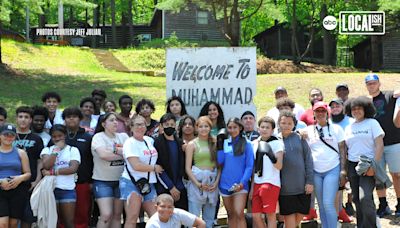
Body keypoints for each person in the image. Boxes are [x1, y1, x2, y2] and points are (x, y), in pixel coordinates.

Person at [344, 96, 385, 227]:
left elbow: (379, 145)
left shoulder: (372, 123)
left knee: (365, 197)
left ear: (365, 109)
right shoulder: (348, 127)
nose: (356, 111)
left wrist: (374, 165)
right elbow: (346, 149)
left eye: (359, 108)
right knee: (356, 198)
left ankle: (371, 225)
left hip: (367, 164)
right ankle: (362, 225)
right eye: (353, 109)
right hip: (352, 165)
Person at [305, 102, 347, 228]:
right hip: (316, 171)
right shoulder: (308, 130)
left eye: (323, 111)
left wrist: (343, 171)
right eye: (317, 111)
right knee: (321, 205)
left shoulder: (336, 129)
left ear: (327, 113)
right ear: (314, 114)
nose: (320, 113)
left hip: (332, 169)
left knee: (328, 203)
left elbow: (342, 150)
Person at [365, 73, 400, 217]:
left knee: (397, 174)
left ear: (379, 84)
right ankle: (383, 204)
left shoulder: (390, 96)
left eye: (374, 83)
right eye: (369, 84)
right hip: (375, 145)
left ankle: (399, 203)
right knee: (379, 176)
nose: (372, 85)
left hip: (394, 142)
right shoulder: (365, 102)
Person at [119, 114, 163, 228]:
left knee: (156, 217)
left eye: (143, 124)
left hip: (148, 183)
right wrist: (154, 168)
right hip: (131, 183)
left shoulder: (149, 140)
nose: (141, 127)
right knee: (132, 218)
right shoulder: (129, 142)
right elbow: (136, 165)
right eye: (138, 124)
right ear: (131, 127)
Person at [92, 112, 129, 228]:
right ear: (103, 124)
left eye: (116, 120)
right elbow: (104, 155)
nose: (115, 122)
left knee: (117, 215)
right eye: (111, 120)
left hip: (121, 181)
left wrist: (115, 152)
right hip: (102, 181)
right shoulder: (98, 137)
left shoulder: (123, 136)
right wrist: (122, 154)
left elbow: (131, 153)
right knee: (106, 214)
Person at [278, 111, 313, 228]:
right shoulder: (275, 140)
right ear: (279, 123)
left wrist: (309, 181)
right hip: (285, 189)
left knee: (302, 214)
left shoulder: (300, 138)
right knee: (290, 221)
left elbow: (308, 160)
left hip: (302, 186)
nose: (286, 125)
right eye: (283, 123)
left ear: (294, 124)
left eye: (289, 123)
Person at [40, 124, 80, 228]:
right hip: (50, 191)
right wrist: (56, 150)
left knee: (69, 222)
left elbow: (72, 169)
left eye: (60, 136)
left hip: (67, 190)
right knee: (52, 223)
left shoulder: (73, 150)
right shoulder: (47, 150)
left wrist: (53, 173)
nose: (57, 138)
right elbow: (47, 165)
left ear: (65, 135)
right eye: (54, 136)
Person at [217, 117, 254, 228]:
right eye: (230, 127)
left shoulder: (247, 144)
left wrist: (242, 183)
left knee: (239, 213)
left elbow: (249, 166)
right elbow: (220, 161)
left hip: (240, 185)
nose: (232, 130)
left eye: (235, 127)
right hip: (225, 184)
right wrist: (219, 145)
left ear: (240, 128)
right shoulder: (225, 142)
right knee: (231, 215)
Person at [185, 116, 220, 227]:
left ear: (210, 128)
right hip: (197, 183)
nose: (203, 129)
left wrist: (216, 183)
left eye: (206, 126)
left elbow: (219, 166)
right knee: (193, 217)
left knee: (209, 218)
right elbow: (187, 168)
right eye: (201, 126)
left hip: (211, 182)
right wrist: (198, 184)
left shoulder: (215, 143)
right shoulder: (192, 144)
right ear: (196, 128)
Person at [13, 106, 44, 227]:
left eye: (26, 117)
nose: (23, 120)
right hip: (11, 181)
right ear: (16, 119)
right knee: (12, 217)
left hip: (30, 183)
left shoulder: (36, 139)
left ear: (31, 120)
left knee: (28, 216)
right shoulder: (8, 136)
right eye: (20, 117)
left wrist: (37, 180)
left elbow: (39, 161)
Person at [62, 107, 93, 228]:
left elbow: (92, 160)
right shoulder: (58, 136)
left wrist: (91, 181)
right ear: (64, 119)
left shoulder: (87, 137)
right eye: (68, 116)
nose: (71, 119)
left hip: (81, 182)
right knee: (62, 215)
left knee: (81, 214)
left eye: (74, 116)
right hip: (62, 182)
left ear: (80, 119)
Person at [251, 116, 284, 228]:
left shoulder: (277, 143)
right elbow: (253, 167)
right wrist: (251, 188)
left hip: (271, 182)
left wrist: (270, 154)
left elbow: (279, 166)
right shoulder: (254, 143)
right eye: (262, 127)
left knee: (270, 215)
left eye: (267, 127)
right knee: (255, 216)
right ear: (258, 128)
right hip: (257, 182)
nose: (264, 129)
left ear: (272, 130)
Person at [0, 124, 31, 228]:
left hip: (17, 190)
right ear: (0, 135)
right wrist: (1, 181)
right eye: (5, 134)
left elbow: (28, 173)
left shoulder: (20, 153)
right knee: (3, 224)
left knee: (13, 224)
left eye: (11, 135)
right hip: (0, 190)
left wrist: (20, 178)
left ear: (15, 137)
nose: (8, 137)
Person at [154, 113, 188, 210]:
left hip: (179, 185)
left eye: (172, 125)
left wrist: (177, 186)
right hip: (164, 186)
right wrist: (171, 187)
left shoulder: (180, 143)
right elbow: (159, 168)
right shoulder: (157, 142)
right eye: (167, 124)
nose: (170, 127)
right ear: (161, 126)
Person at [328, 98, 355, 220]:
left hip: (351, 156)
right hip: (334, 158)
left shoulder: (351, 121)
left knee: (350, 183)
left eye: (337, 106)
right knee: (338, 186)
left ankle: (349, 204)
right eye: (332, 107)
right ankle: (339, 210)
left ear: (343, 107)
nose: (335, 109)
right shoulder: (328, 122)